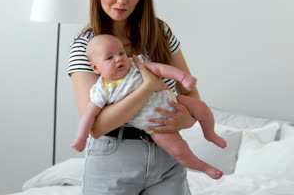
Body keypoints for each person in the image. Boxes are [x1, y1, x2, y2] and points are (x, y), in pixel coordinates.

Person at [68, 0, 211, 194]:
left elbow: (192, 98)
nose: (122, 0)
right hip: (114, 157)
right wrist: (147, 88)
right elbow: (96, 126)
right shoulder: (85, 45)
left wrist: (184, 119)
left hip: (167, 156)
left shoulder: (160, 33)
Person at [71, 35, 226, 179]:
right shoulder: (102, 90)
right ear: (96, 68)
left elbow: (160, 69)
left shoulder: (135, 64)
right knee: (179, 151)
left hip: (176, 101)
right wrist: (81, 138)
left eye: (121, 53)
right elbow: (89, 116)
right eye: (110, 57)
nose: (118, 59)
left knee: (201, 107)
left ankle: (210, 133)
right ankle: (204, 167)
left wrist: (183, 78)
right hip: (155, 127)